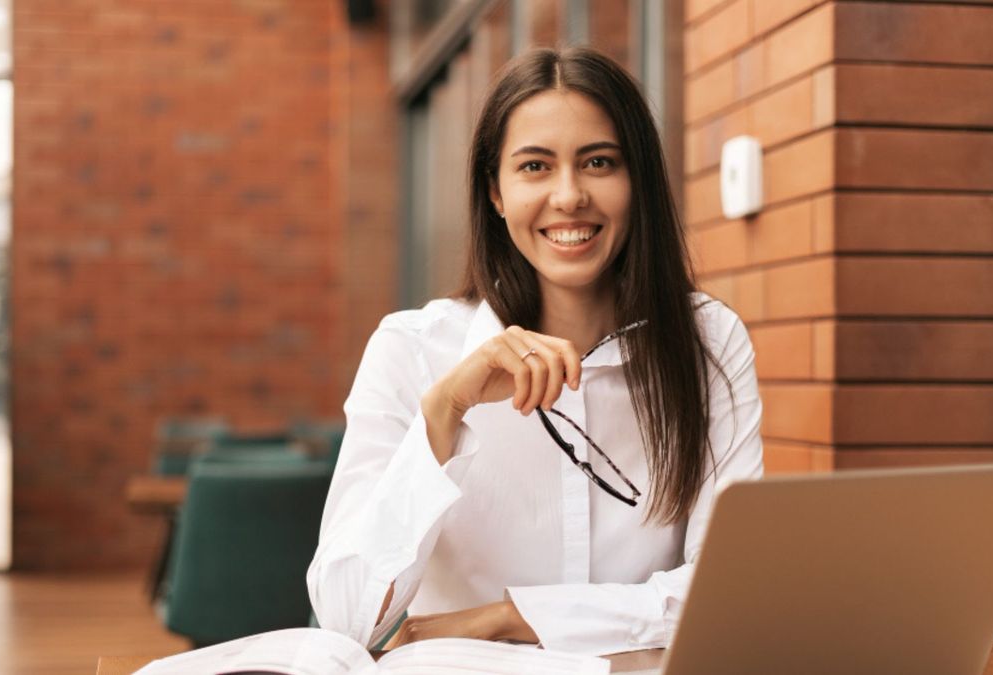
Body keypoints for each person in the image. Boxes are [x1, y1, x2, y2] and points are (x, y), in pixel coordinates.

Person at [307, 46, 763, 656]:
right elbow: (346, 618)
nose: (570, 196)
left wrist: (505, 618)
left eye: (599, 162)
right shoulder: (411, 350)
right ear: (494, 192)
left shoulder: (708, 341)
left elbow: (725, 591)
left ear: (639, 182)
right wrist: (442, 414)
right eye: (535, 167)